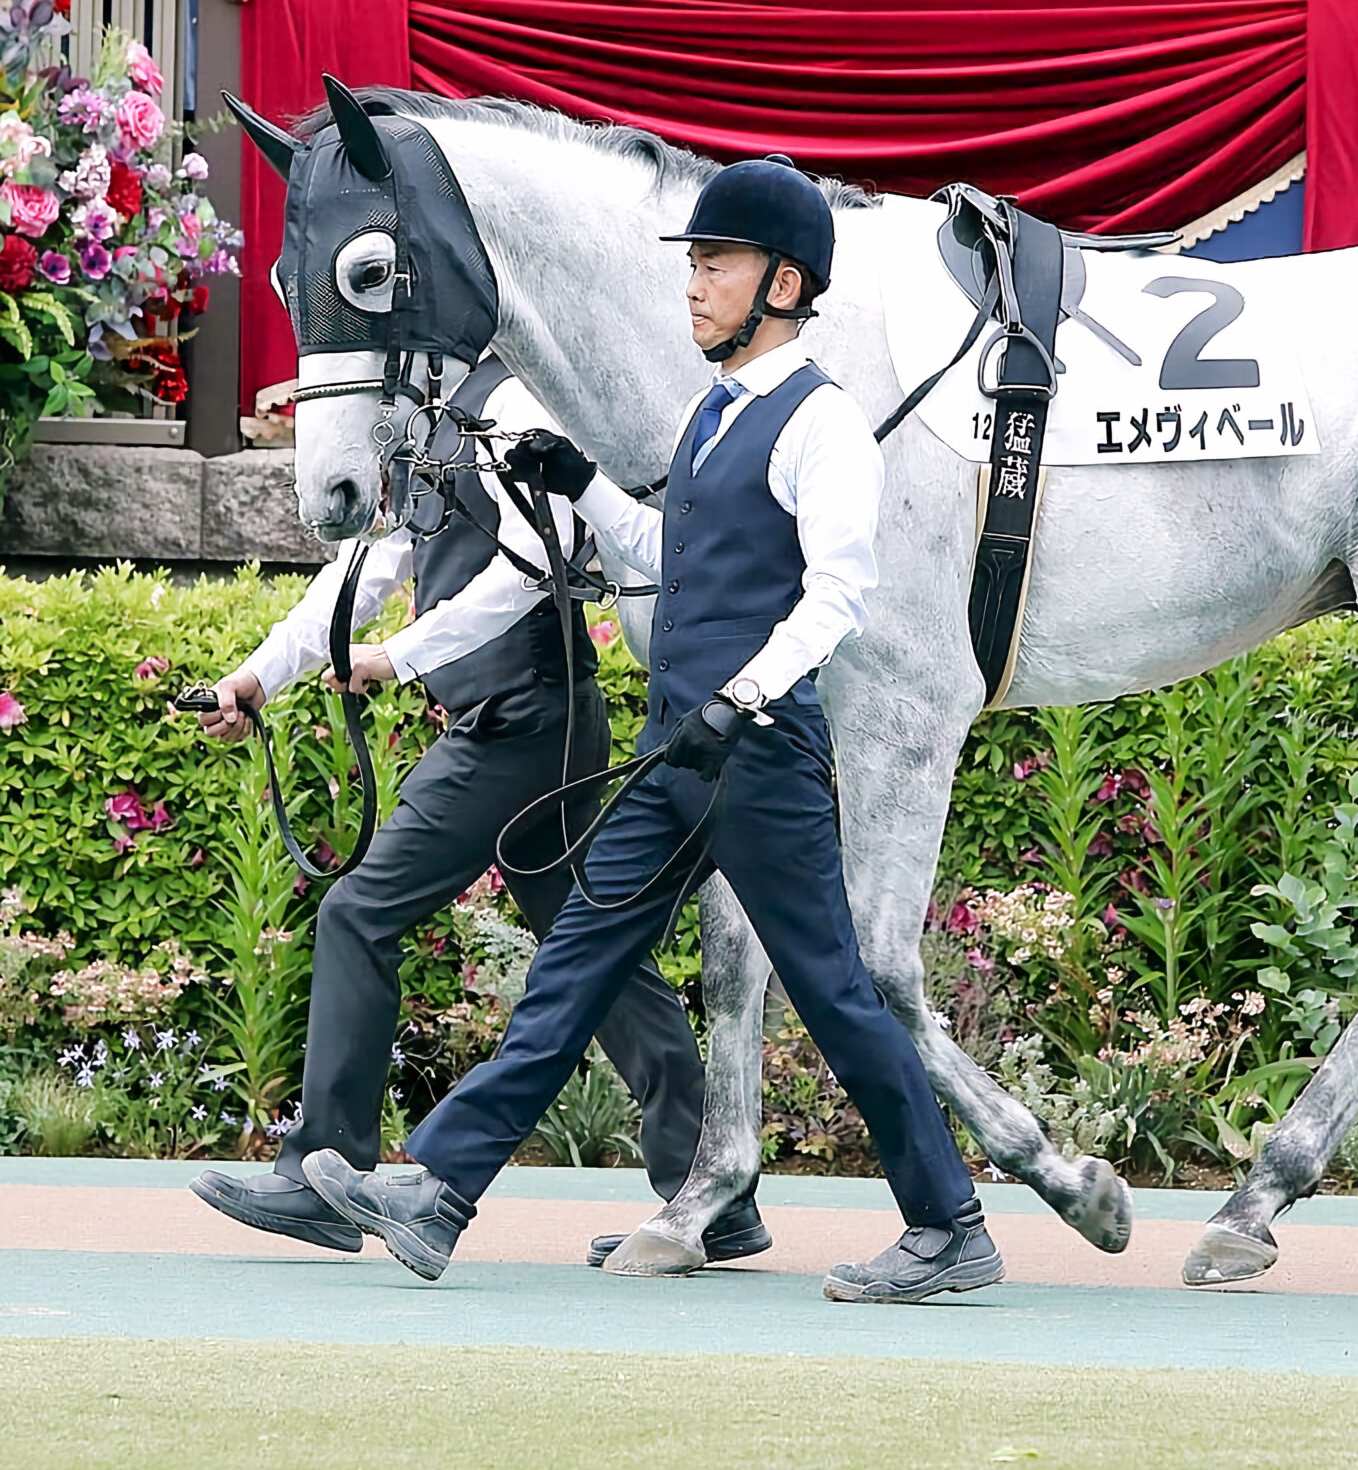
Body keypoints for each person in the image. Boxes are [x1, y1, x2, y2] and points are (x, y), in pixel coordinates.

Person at [300, 155, 1005, 1305]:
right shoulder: (712, 409)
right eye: (692, 264)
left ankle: (947, 1222)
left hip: (755, 756)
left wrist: (744, 698)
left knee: (833, 991)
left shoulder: (822, 424)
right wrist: (572, 477)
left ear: (783, 282)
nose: (693, 286)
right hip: (680, 750)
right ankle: (438, 1193)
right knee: (571, 965)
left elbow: (839, 592)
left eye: (714, 266)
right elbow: (664, 555)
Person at [187, 363, 769, 1271]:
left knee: (359, 910)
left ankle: (320, 1174)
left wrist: (400, 657)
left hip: (524, 722)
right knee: (593, 946)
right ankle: (711, 1191)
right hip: (531, 720)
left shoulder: (515, 401)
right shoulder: (421, 418)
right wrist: (256, 678)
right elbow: (367, 567)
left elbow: (532, 574)